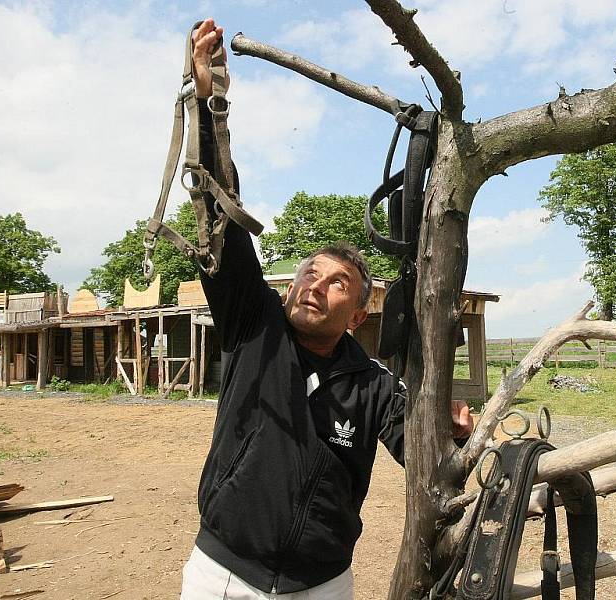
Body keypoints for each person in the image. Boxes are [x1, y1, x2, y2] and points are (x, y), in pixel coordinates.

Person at [180, 18, 473, 600]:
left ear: (358, 315)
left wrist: (453, 430)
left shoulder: (374, 389)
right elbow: (220, 209)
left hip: (324, 585)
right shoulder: (252, 326)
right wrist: (210, 106)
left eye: (338, 282)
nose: (316, 284)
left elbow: (423, 455)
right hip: (223, 575)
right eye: (310, 272)